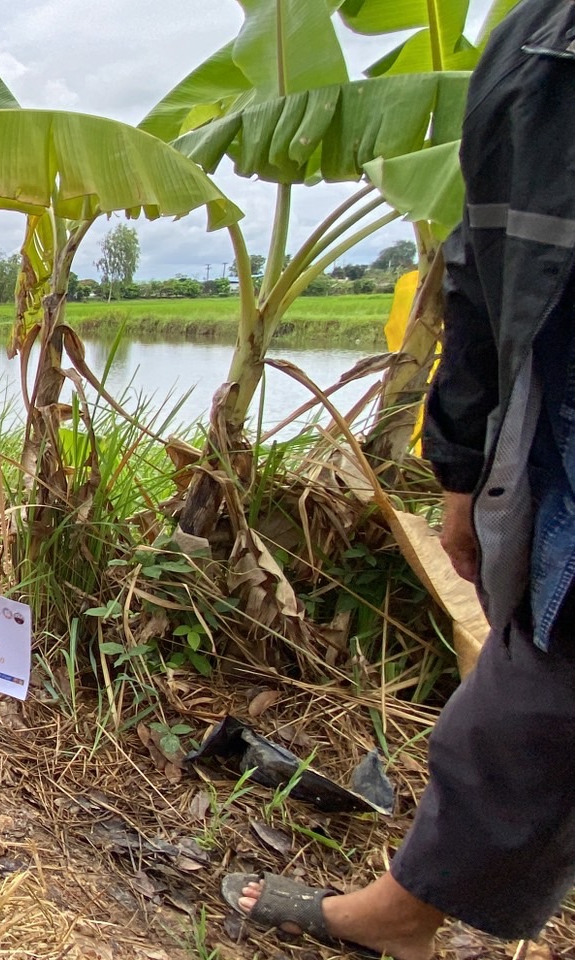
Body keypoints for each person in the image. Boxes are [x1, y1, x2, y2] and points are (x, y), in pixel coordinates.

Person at [224, 3, 575, 957]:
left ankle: (405, 912)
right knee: (531, 682)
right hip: (562, 453)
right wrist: (458, 465)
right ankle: (404, 913)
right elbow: (481, 264)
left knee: (530, 689)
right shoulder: (541, 45)